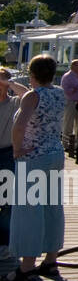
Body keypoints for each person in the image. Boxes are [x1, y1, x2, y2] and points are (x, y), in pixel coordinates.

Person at [4, 55, 67, 281]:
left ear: (31, 74)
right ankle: (51, 261)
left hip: (33, 157)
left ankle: (27, 266)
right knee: (52, 206)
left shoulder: (33, 96)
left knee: (30, 210)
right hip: (55, 155)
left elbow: (19, 126)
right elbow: (30, 97)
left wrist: (16, 150)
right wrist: (10, 84)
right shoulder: (59, 93)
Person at [0, 68, 31, 264]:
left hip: (6, 153)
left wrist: (8, 82)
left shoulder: (14, 103)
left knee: (6, 201)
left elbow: (28, 94)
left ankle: (4, 243)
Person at [59, 58, 78, 156]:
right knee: (68, 123)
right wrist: (76, 88)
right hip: (70, 102)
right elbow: (65, 91)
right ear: (73, 66)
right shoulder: (67, 76)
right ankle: (66, 144)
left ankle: (76, 144)